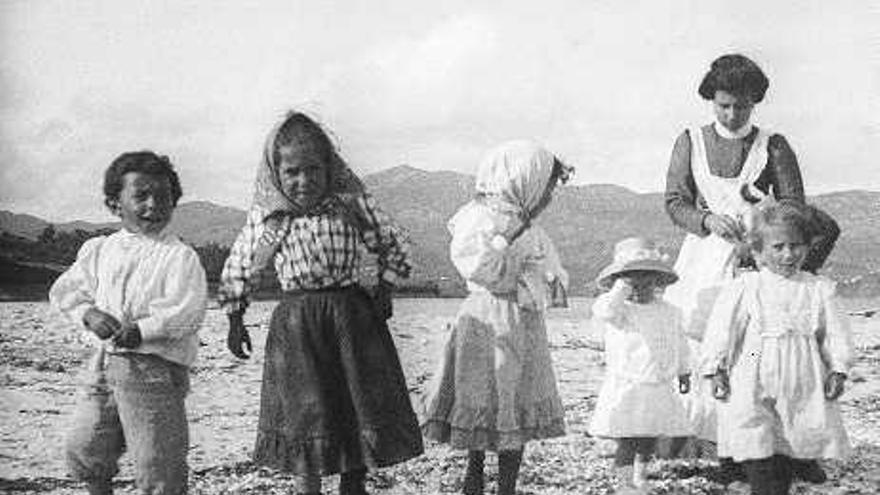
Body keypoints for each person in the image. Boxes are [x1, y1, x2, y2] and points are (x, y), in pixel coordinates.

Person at [219, 111, 423, 495]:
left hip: (352, 321)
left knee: (356, 400)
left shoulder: (351, 205)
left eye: (313, 169)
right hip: (297, 327)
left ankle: (353, 482)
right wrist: (235, 315)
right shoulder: (272, 220)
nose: (303, 180)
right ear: (275, 173)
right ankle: (307, 484)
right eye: (292, 172)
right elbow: (242, 264)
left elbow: (395, 243)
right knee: (305, 409)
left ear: (329, 168)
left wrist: (385, 286)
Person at [663, 53, 839, 481]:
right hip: (706, 257)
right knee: (716, 348)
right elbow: (674, 202)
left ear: (755, 102)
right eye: (723, 104)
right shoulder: (690, 139)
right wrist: (705, 220)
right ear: (712, 99)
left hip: (759, 258)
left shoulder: (773, 145)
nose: (732, 113)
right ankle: (728, 450)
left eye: (741, 105)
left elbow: (794, 205)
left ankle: (790, 449)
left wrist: (758, 230)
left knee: (766, 353)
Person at [49, 151, 208, 495]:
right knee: (87, 444)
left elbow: (187, 310)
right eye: (141, 196)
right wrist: (90, 315)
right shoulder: (101, 250)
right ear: (114, 204)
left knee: (157, 458)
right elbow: (67, 292)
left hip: (155, 371)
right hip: (102, 366)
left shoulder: (179, 256)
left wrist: (142, 330)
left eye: (163, 197)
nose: (153, 204)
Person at [422, 141, 572, 495]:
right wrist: (521, 268)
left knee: (514, 399)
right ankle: (473, 474)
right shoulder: (481, 218)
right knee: (481, 392)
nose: (547, 198)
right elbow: (476, 265)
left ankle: (507, 484)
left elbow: (554, 272)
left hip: (522, 322)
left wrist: (543, 278)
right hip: (486, 317)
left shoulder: (531, 228)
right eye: (545, 189)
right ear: (523, 181)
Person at [701, 201, 852, 495]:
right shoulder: (748, 286)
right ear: (758, 251)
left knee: (789, 439)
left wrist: (839, 368)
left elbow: (835, 333)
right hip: (755, 358)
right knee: (754, 434)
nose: (788, 254)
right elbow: (723, 329)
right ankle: (758, 481)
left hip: (803, 372)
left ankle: (780, 479)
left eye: (796, 246)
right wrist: (715, 367)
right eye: (778, 247)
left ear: (808, 248)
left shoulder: (818, 288)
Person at [589, 237, 692, 493]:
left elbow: (679, 343)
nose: (639, 288)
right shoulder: (619, 310)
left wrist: (684, 370)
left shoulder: (669, 311)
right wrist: (621, 289)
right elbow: (605, 311)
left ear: (658, 282)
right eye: (631, 282)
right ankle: (624, 482)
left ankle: (641, 474)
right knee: (627, 436)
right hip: (627, 384)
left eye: (646, 281)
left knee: (649, 435)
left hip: (657, 383)